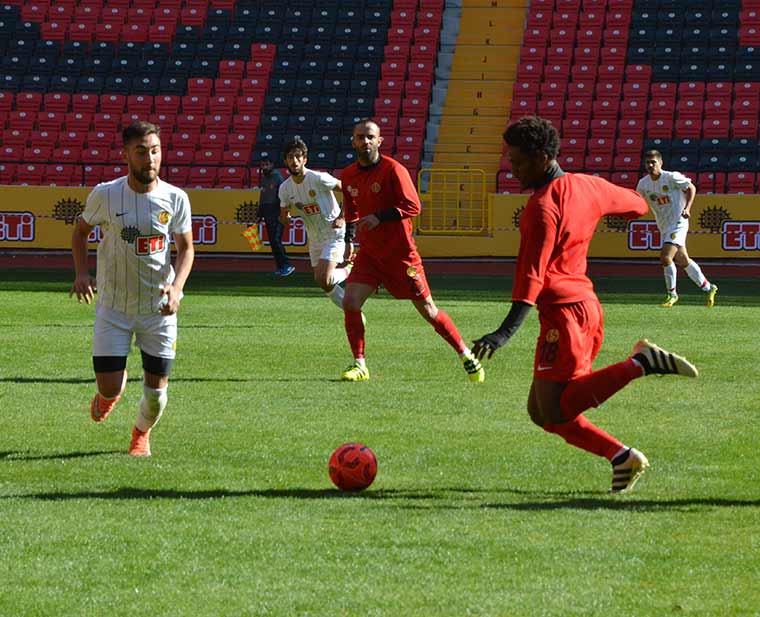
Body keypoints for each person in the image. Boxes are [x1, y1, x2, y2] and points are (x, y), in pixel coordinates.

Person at [472, 116, 699, 493]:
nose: (511, 170)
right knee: (539, 412)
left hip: (566, 316)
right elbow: (636, 206)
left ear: (543, 157)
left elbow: (531, 275)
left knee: (558, 409)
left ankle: (640, 364)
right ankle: (621, 457)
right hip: (582, 309)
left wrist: (503, 332)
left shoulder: (541, 208)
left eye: (518, 161)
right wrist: (594, 208)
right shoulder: (586, 185)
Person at [70, 121, 194, 457]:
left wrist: (177, 288)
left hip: (158, 310)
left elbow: (186, 249)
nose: (150, 158)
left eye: (155, 150)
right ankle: (110, 393)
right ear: (126, 154)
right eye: (141, 152)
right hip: (113, 307)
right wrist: (82, 273)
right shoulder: (106, 195)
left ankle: (140, 434)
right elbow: (80, 232)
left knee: (155, 394)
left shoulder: (176, 198)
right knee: (108, 387)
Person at [339, 118, 485, 383]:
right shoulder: (348, 175)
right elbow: (352, 212)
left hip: (401, 254)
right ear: (353, 141)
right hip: (370, 254)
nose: (365, 141)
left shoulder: (393, 170)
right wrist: (349, 240)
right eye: (360, 137)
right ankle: (360, 364)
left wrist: (379, 217)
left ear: (379, 141)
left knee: (429, 310)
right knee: (350, 302)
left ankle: (465, 354)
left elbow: (413, 205)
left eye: (370, 136)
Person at [278, 137, 356, 311]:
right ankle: (351, 310)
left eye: (298, 157)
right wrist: (285, 218)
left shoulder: (319, 178)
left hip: (334, 234)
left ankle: (350, 268)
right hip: (314, 238)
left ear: (305, 159)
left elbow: (350, 191)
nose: (294, 161)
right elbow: (283, 215)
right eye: (290, 157)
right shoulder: (285, 188)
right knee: (324, 283)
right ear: (285, 161)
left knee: (324, 278)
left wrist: (343, 216)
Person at [636, 150, 718, 308]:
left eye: (653, 162)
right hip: (664, 225)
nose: (650, 165)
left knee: (666, 257)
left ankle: (672, 294)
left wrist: (687, 208)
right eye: (647, 163)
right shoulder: (643, 184)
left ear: (661, 163)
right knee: (682, 260)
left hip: (679, 222)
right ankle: (709, 288)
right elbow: (638, 200)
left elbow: (691, 188)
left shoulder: (671, 177)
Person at [259, 155, 294, 277]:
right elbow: (263, 197)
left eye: (266, 164)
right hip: (268, 214)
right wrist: (260, 214)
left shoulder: (277, 177)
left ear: (272, 165)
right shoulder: (264, 179)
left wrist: (283, 213)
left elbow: (283, 197)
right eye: (262, 164)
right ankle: (280, 267)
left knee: (276, 240)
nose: (264, 167)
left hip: (277, 214)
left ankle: (286, 265)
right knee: (273, 242)